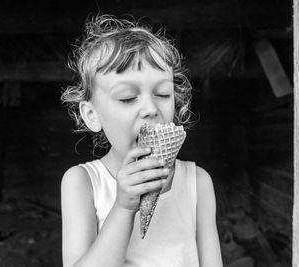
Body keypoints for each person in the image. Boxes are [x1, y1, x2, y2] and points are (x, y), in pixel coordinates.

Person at [60, 14, 223, 267]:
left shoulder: (197, 183)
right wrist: (123, 208)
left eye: (162, 93)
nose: (150, 108)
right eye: (127, 97)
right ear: (92, 115)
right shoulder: (82, 183)